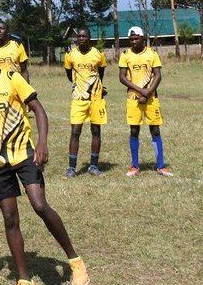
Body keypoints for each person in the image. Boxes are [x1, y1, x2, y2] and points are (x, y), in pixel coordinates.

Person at [0, 37, 89, 285]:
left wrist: (41, 143)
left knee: (39, 205)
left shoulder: (11, 78)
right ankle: (25, 281)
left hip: (24, 154)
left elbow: (39, 111)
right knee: (10, 219)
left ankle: (75, 261)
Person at [117, 27, 172, 177]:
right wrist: (141, 91)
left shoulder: (152, 54)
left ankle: (160, 165)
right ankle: (135, 166)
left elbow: (158, 75)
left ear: (143, 38)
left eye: (136, 38)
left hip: (151, 99)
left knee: (155, 130)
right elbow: (122, 77)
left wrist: (148, 93)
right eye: (131, 39)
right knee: (134, 131)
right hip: (133, 99)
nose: (134, 41)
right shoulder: (125, 55)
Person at [63, 27, 107, 178]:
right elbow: (69, 75)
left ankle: (93, 166)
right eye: (79, 37)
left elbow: (100, 74)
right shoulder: (70, 55)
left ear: (89, 38)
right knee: (75, 132)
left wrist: (98, 88)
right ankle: (71, 167)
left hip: (96, 99)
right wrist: (79, 86)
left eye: (84, 36)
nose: (81, 39)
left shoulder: (98, 54)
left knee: (96, 131)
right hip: (78, 99)